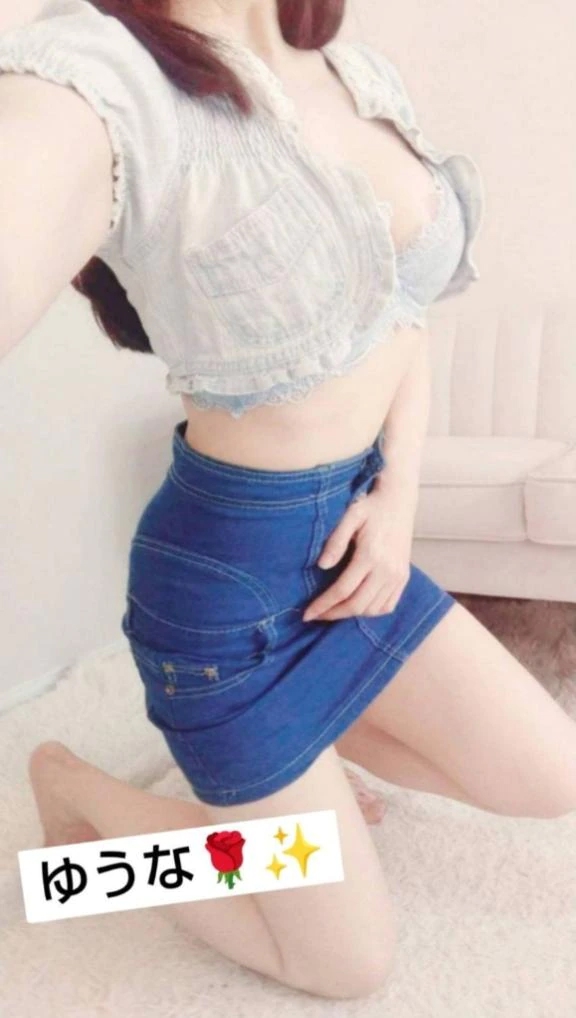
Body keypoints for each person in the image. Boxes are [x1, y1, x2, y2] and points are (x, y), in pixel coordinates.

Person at [2, 0, 576, 1001]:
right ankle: (76, 791)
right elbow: (38, 151)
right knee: (344, 962)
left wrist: (398, 497)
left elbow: (405, 309)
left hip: (354, 544)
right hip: (226, 596)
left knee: (550, 775)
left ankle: (302, 783)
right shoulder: (105, 82)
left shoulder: (356, 73)